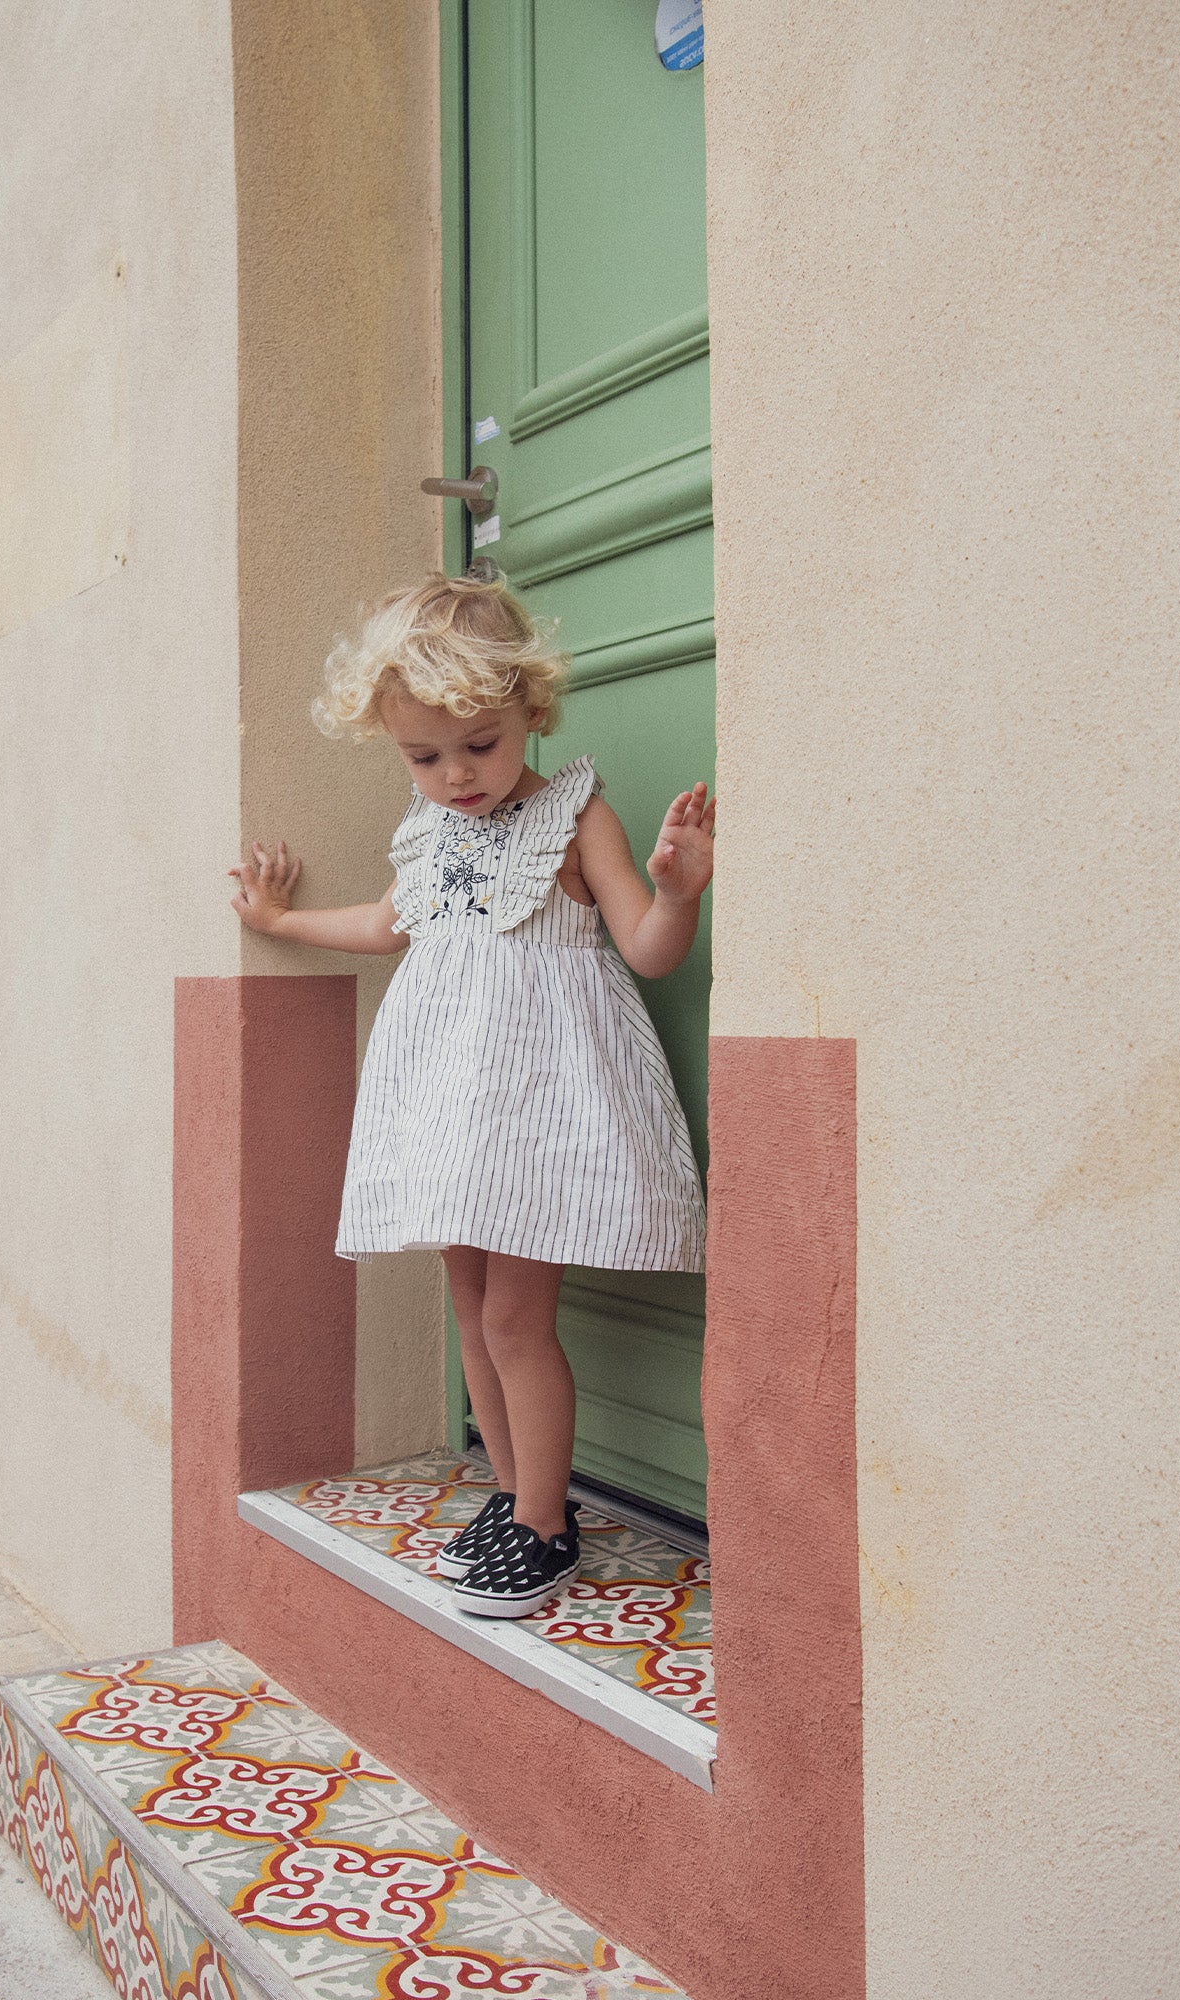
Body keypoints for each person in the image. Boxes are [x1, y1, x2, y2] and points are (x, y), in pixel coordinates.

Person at [229, 572, 713, 1618]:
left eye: (479, 745)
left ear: (530, 710)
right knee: (469, 1305)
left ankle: (546, 1518)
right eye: (424, 755)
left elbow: (647, 949)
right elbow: (385, 924)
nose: (455, 775)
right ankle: (508, 1489)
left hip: (535, 1107)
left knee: (514, 1316)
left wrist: (676, 890)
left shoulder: (576, 816)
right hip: (451, 1104)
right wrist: (279, 923)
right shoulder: (430, 828)